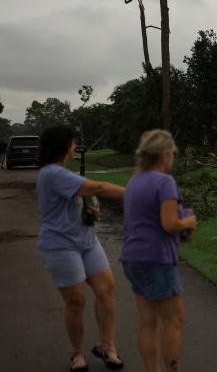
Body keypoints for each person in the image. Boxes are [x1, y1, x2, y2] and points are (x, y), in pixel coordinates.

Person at [36, 125, 126, 371]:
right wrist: (135, 194)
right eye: (73, 143)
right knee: (76, 301)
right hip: (60, 245)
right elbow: (98, 188)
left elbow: (85, 195)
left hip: (86, 241)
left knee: (106, 288)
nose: (75, 146)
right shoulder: (52, 173)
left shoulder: (62, 172)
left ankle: (108, 347)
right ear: (65, 146)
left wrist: (89, 208)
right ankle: (77, 354)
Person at [120, 130, 197, 372]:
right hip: (156, 259)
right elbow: (170, 224)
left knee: (148, 322)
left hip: (132, 257)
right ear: (164, 155)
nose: (172, 158)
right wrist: (189, 222)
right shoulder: (165, 182)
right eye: (172, 154)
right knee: (174, 320)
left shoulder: (134, 181)